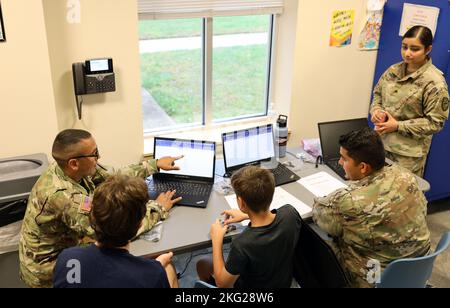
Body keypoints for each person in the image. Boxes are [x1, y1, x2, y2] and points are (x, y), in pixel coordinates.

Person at [19, 129, 182, 288]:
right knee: (146, 267)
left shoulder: (71, 169)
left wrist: (154, 164)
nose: (99, 157)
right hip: (51, 270)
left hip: (70, 250)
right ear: (74, 163)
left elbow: (115, 175)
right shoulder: (62, 196)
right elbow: (115, 229)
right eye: (94, 153)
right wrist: (158, 208)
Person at [312, 127, 431, 288]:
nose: (340, 163)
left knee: (309, 234)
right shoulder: (406, 176)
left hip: (376, 278)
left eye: (344, 159)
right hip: (417, 270)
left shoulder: (351, 201)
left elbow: (320, 215)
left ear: (363, 167)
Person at [53, 175, 178, 288]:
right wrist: (152, 268)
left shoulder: (68, 259)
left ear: (93, 218)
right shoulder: (153, 274)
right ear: (140, 224)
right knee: (169, 269)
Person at [196, 166, 302, 288]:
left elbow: (222, 284)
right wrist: (247, 215)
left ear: (241, 202)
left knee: (202, 263)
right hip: (283, 282)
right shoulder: (290, 213)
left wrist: (217, 240)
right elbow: (271, 216)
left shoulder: (242, 245)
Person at [370, 25, 449, 177]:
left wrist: (398, 126)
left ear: (428, 49)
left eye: (415, 49)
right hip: (381, 145)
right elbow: (378, 94)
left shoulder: (434, 82)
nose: (407, 53)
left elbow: (435, 123)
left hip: (407, 156)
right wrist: (376, 111)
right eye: (404, 47)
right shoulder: (393, 71)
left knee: (401, 198)